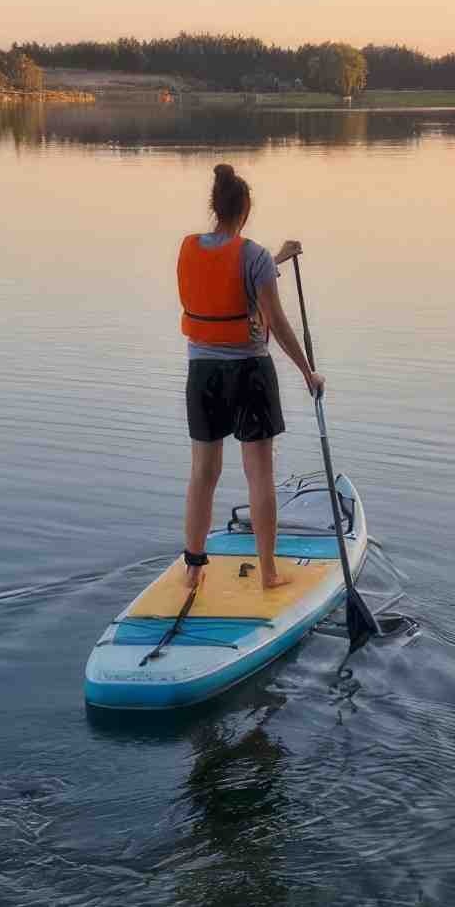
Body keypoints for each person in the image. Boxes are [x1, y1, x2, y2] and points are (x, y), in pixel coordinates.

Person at [178, 163, 324, 592]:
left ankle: (193, 570)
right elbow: (275, 321)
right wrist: (307, 373)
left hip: (201, 374)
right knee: (258, 473)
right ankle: (269, 574)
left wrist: (277, 258)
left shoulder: (187, 248)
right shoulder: (253, 256)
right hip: (249, 373)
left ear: (215, 207)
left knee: (203, 473)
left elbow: (231, 281)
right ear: (245, 210)